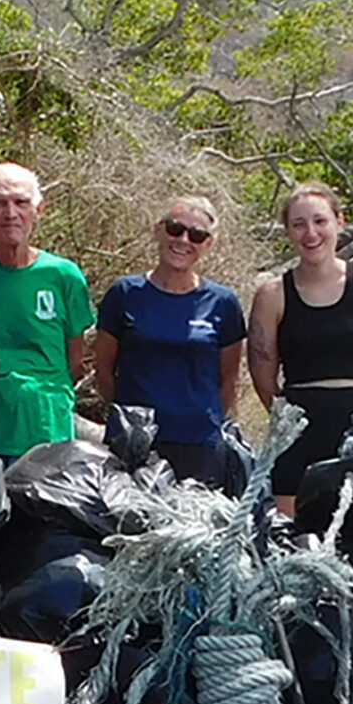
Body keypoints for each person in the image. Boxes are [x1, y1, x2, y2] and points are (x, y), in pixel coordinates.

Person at [249, 182, 353, 512]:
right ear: (288, 232)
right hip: (299, 432)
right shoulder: (272, 294)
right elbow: (263, 377)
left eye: (320, 221)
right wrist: (290, 421)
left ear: (339, 221)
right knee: (291, 541)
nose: (311, 233)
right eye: (299, 224)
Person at [93, 196, 248, 486]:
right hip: (134, 441)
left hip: (199, 444)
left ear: (208, 245)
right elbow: (103, 368)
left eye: (197, 235)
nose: (184, 240)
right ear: (158, 230)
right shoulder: (124, 293)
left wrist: (207, 422)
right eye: (175, 229)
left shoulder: (223, 302)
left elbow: (229, 380)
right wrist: (126, 418)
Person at [0, 162, 95, 458]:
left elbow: (74, 361)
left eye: (21, 202)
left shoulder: (64, 276)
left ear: (39, 210)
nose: (11, 214)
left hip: (47, 430)